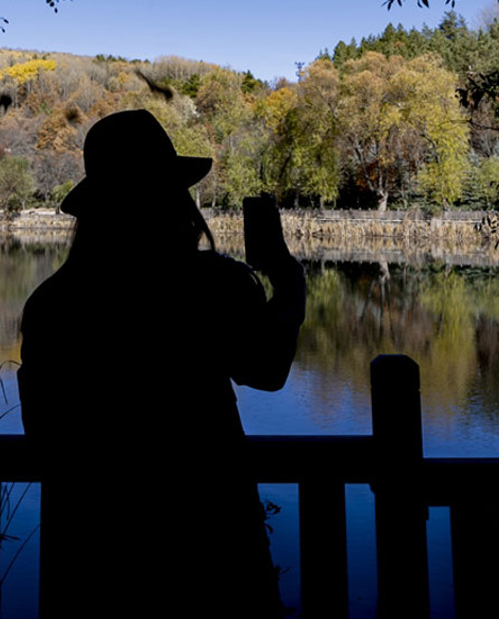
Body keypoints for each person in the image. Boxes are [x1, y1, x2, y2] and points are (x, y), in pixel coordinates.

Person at [17, 109, 306, 618]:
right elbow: (268, 371)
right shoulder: (214, 285)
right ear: (171, 198)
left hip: (91, 559)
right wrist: (289, 285)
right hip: (213, 547)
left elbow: (45, 436)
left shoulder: (52, 304)